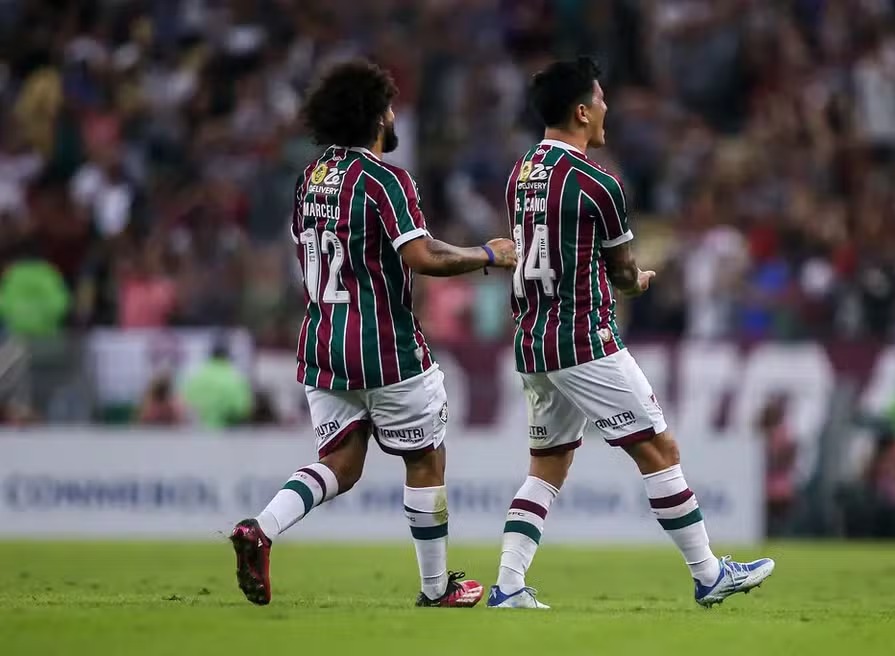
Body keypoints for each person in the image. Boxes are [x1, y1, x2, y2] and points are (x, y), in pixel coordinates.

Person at [488, 57, 774, 610]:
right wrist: (635, 282)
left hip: (532, 338)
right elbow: (621, 271)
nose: (605, 107)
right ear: (580, 111)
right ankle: (709, 573)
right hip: (583, 338)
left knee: (547, 463)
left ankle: (508, 585)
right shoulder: (600, 184)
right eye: (599, 99)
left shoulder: (520, 171)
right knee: (659, 449)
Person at [230, 60, 517, 608]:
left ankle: (261, 530)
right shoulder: (387, 179)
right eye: (388, 104)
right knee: (425, 459)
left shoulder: (309, 178)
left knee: (341, 461)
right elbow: (422, 255)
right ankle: (436, 589)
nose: (394, 113)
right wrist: (487, 254)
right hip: (385, 344)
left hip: (322, 343)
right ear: (374, 115)